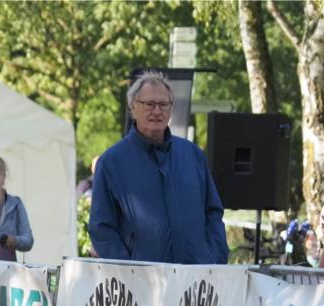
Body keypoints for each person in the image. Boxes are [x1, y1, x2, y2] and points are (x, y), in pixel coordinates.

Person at [90, 71, 228, 264]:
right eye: (150, 104)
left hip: (195, 277)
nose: (157, 111)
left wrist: (213, 259)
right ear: (133, 106)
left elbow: (213, 213)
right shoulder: (111, 162)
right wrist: (129, 270)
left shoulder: (193, 156)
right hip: (141, 279)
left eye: (163, 104)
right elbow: (102, 228)